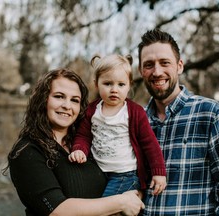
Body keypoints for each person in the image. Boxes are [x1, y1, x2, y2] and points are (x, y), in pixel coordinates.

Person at [4, 68, 145, 216]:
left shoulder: (88, 142)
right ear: (43, 99)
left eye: (74, 100)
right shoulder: (27, 151)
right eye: (59, 96)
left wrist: (135, 193)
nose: (67, 105)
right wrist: (121, 202)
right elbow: (57, 211)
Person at [137, 29, 219, 215]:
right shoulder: (136, 122)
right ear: (141, 71)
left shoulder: (212, 114)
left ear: (179, 66)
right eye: (149, 65)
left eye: (165, 63)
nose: (157, 72)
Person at [68, 54, 167, 197]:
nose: (114, 89)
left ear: (129, 85)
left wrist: (159, 172)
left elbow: (150, 143)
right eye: (108, 84)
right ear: (97, 84)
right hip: (97, 172)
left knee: (105, 206)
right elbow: (83, 135)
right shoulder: (91, 110)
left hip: (125, 174)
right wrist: (79, 150)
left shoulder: (134, 112)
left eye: (121, 84)